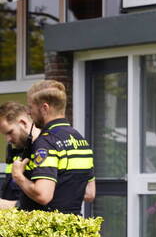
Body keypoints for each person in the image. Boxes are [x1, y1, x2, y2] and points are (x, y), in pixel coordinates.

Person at [8, 81, 95, 214]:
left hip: (48, 229)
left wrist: (19, 176)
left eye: (31, 107)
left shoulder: (47, 142)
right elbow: (89, 193)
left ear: (44, 108)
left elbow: (43, 195)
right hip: (74, 228)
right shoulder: (80, 140)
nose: (29, 113)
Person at [0, 101, 37, 209]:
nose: (8, 139)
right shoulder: (18, 149)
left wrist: (13, 206)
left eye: (10, 132)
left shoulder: (45, 148)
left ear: (23, 123)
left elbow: (47, 198)